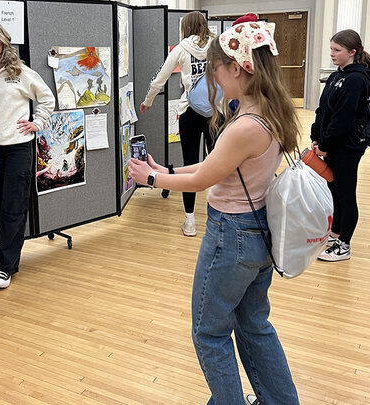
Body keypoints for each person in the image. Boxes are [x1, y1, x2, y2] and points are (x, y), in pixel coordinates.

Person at [130, 21, 300, 404]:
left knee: (209, 333)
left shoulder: (244, 126)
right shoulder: (270, 112)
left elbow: (204, 178)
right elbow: (215, 167)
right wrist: (164, 170)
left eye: (216, 71)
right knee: (254, 326)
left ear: (236, 68)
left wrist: (153, 181)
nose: (216, 81)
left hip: (231, 238)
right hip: (257, 234)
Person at [0, 22, 55, 289]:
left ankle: (5, 267)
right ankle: (8, 259)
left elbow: (47, 98)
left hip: (18, 147)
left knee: (14, 206)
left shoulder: (19, 72)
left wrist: (38, 123)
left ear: (5, 43)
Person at [140, 11, 215, 237]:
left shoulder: (181, 48)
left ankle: (190, 222)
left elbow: (159, 79)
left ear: (186, 27)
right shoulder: (217, 45)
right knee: (219, 163)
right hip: (215, 112)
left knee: (189, 163)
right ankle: (216, 219)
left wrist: (147, 101)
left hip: (189, 112)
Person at [311, 29, 370, 262]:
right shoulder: (335, 76)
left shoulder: (356, 79)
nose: (332, 54)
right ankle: (335, 233)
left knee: (346, 194)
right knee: (334, 190)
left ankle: (344, 244)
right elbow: (323, 110)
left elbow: (343, 119)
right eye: (331, 49)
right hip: (331, 144)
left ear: (352, 52)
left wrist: (326, 145)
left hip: (347, 147)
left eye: (337, 50)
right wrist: (316, 136)